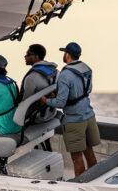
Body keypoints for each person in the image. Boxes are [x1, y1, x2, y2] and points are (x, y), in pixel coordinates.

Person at [41, 42, 100, 177]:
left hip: (74, 120)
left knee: (76, 156)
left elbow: (61, 103)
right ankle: (95, 180)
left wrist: (46, 100)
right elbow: (87, 90)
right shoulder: (86, 68)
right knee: (89, 152)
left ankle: (80, 185)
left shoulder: (65, 75)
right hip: (89, 116)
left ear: (67, 54)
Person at [21, 44, 58, 123]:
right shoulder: (55, 72)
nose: (25, 57)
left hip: (37, 117)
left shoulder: (31, 78)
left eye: (28, 54)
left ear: (36, 57)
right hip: (51, 113)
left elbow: (25, 105)